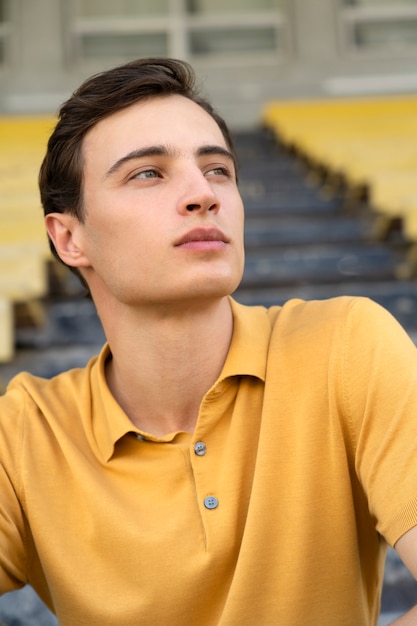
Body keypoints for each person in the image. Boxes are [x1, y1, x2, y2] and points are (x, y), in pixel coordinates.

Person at [0, 57, 416, 626]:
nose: (203, 194)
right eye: (148, 173)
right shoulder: (24, 435)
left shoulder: (346, 345)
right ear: (69, 238)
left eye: (218, 169)